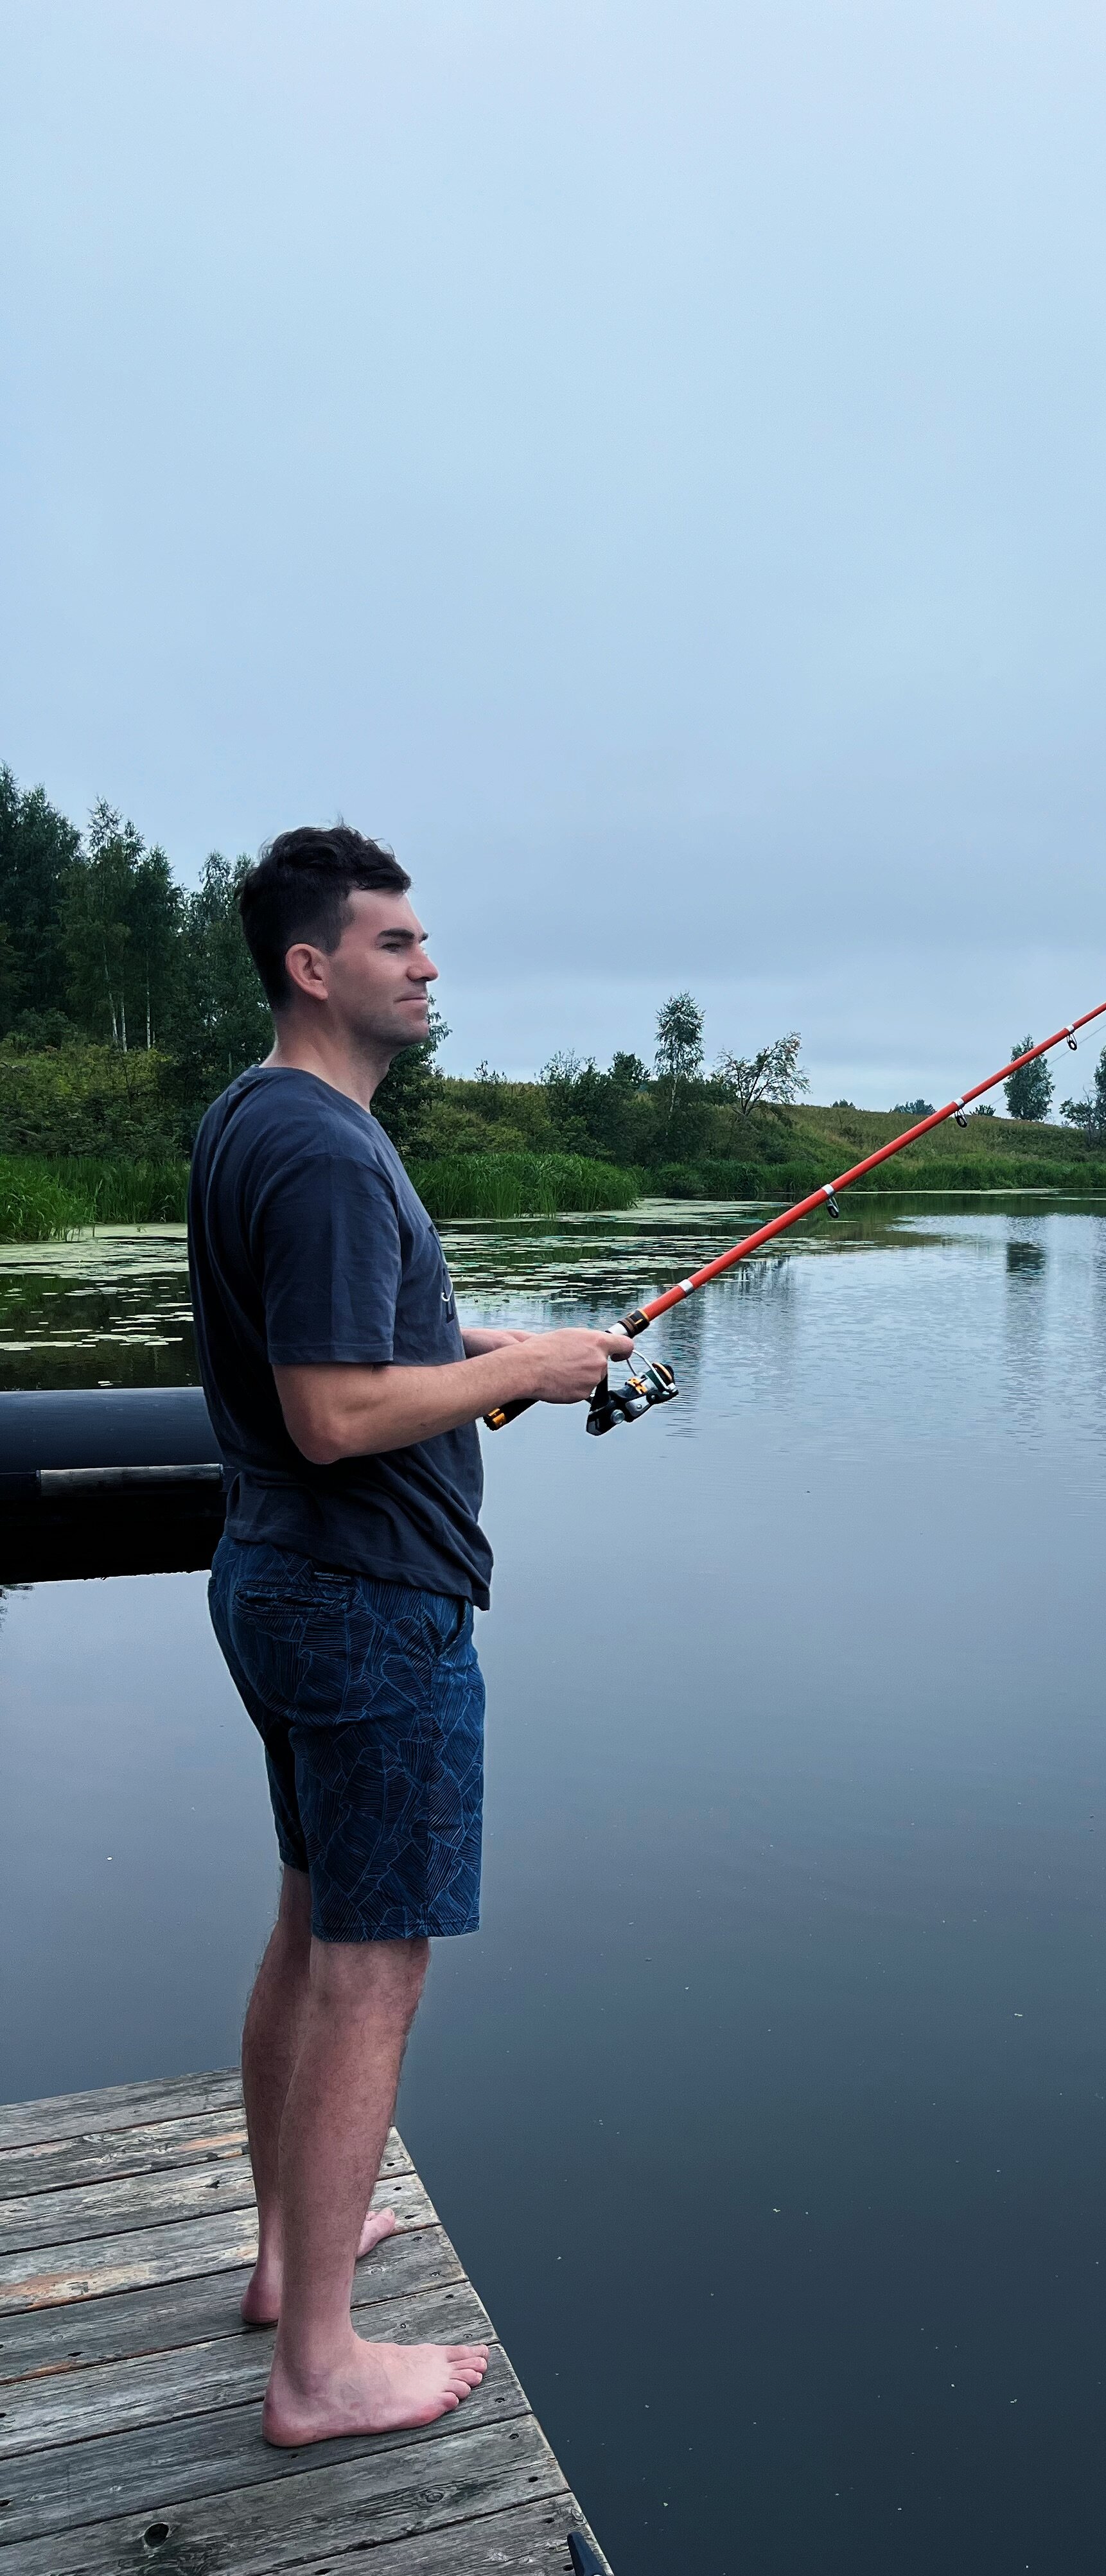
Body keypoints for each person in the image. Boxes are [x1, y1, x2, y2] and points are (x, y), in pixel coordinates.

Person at [188, 826, 633, 2448]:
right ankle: (319, 2364)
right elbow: (332, 1410)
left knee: (315, 1925)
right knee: (373, 1971)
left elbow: (365, 1336)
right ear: (314, 968)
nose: (429, 965)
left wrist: (507, 1340)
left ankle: (283, 2263)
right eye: (396, 943)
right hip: (365, 1600)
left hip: (284, 1581)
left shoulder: (259, 1117)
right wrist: (531, 1381)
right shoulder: (318, 1147)